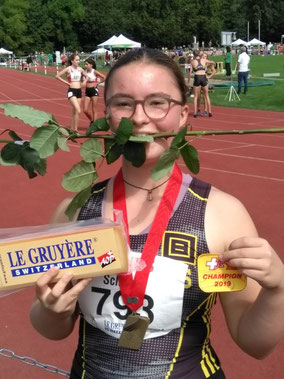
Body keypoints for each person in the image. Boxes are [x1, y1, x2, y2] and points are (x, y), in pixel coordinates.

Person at [30, 48, 284, 379]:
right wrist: (52, 309)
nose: (139, 117)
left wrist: (277, 289)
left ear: (182, 115)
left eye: (157, 102)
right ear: (106, 116)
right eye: (123, 103)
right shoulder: (75, 212)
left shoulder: (222, 214)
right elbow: (50, 328)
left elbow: (255, 343)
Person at [55, 53, 87, 131]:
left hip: (79, 91)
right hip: (71, 91)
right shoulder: (68, 69)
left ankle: (72, 129)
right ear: (72, 61)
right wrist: (66, 82)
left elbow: (87, 76)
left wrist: (84, 82)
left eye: (79, 60)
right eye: (76, 60)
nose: (78, 61)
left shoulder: (80, 69)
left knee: (75, 112)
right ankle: (75, 130)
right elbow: (57, 76)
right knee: (78, 110)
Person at [188, 50, 215, 117]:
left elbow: (190, 73)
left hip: (197, 77)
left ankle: (195, 113)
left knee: (196, 97)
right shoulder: (203, 60)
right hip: (203, 77)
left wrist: (188, 81)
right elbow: (212, 62)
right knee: (206, 96)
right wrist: (213, 62)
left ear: (194, 55)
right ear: (199, 55)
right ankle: (210, 112)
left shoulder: (192, 62)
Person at [83, 58, 106, 124]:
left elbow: (104, 77)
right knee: (85, 110)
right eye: (85, 64)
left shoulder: (94, 71)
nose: (85, 65)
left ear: (91, 65)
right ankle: (92, 120)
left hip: (93, 90)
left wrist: (98, 83)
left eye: (87, 64)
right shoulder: (84, 72)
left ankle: (94, 124)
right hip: (87, 91)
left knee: (94, 109)